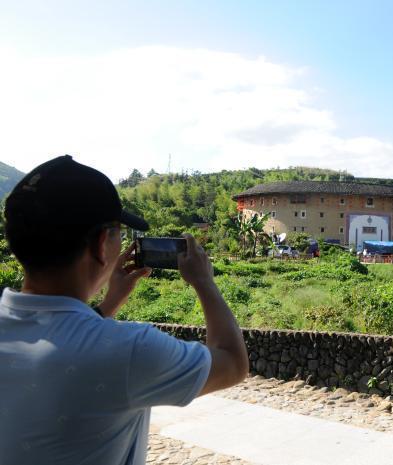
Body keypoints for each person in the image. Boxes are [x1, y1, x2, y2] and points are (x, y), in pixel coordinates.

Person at [0, 155, 249, 465]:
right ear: (102, 243)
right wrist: (205, 282)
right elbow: (233, 362)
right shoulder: (130, 349)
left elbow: (61, 337)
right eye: (119, 232)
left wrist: (109, 304)